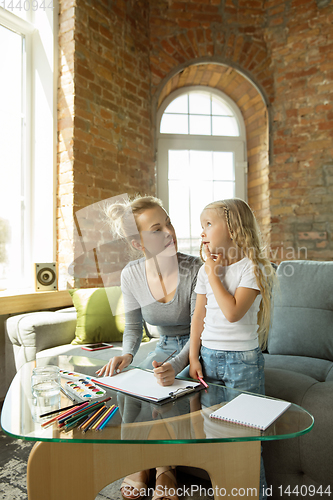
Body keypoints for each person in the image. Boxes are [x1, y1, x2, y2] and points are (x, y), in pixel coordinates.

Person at [96, 195, 202, 500]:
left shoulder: (195, 269)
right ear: (138, 244)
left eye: (168, 222)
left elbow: (200, 330)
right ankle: (140, 463)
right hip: (164, 346)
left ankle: (165, 470)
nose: (169, 231)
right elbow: (133, 328)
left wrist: (178, 365)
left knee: (164, 392)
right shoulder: (131, 274)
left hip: (197, 348)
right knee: (130, 386)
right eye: (156, 229)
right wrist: (126, 355)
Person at [189, 198, 275, 500]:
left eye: (208, 224)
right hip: (209, 360)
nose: (203, 233)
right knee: (217, 437)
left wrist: (213, 274)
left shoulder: (252, 268)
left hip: (243, 364)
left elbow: (233, 312)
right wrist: (192, 357)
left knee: (246, 439)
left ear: (234, 228)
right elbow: (198, 316)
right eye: (201, 227)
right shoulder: (205, 271)